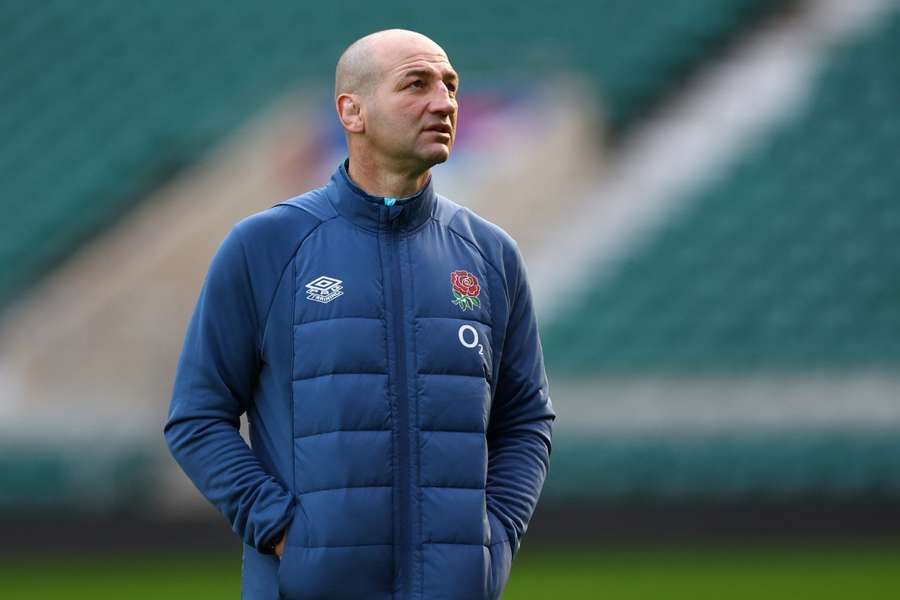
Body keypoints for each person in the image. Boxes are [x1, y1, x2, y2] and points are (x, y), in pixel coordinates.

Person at [164, 28, 555, 600]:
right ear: (352, 111)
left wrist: (494, 536)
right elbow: (196, 418)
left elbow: (526, 419)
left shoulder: (491, 254)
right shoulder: (265, 245)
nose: (444, 102)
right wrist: (282, 531)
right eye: (416, 84)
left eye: (450, 86)